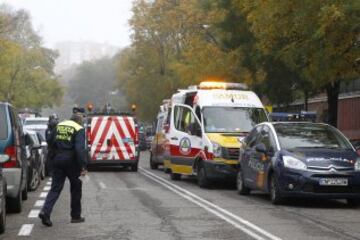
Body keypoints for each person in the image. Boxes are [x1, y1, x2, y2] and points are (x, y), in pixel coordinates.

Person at [39, 111, 87, 227]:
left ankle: (46, 211)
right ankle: (75, 216)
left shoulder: (60, 125)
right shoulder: (79, 129)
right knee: (76, 186)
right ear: (79, 121)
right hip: (71, 161)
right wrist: (83, 165)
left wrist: (54, 153)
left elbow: (50, 140)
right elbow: (79, 149)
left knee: (55, 188)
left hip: (57, 159)